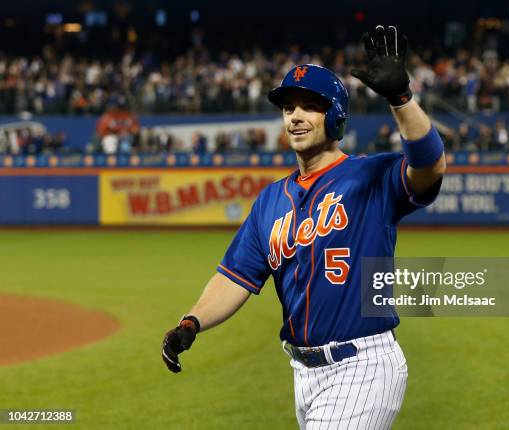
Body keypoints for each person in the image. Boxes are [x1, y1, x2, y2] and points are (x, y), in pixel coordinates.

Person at [162, 25, 446, 429]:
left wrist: (401, 99)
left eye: (310, 106)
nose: (295, 116)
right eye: (288, 107)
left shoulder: (372, 176)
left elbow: (431, 165)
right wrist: (191, 322)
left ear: (335, 117)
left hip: (362, 365)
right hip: (304, 374)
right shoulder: (271, 201)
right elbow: (235, 277)